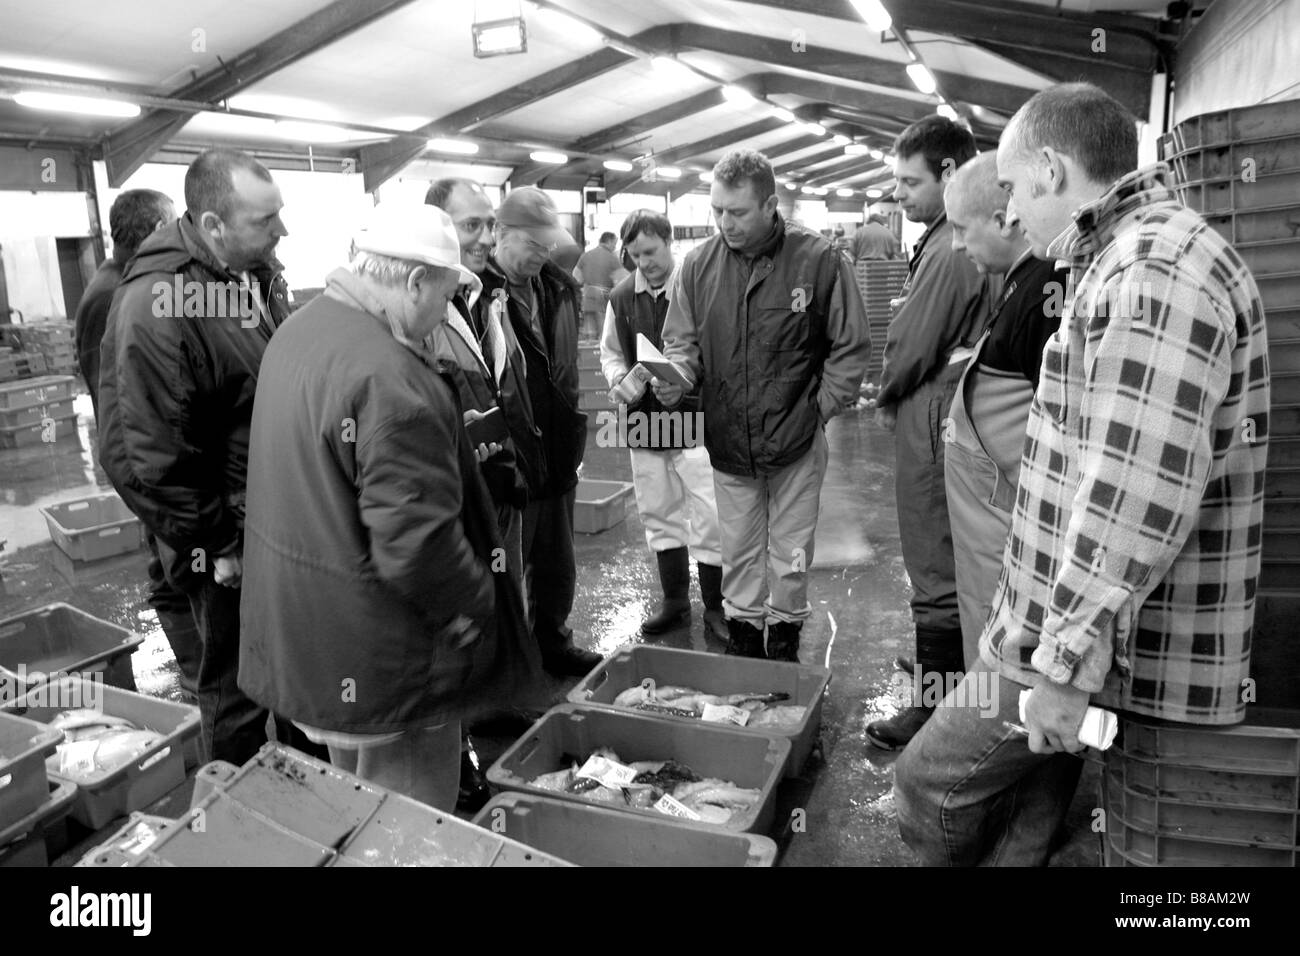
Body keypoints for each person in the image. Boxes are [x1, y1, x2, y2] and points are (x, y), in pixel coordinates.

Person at [894, 82, 1271, 866]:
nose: (1009, 210)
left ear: (1053, 171)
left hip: (1072, 643)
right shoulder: (1127, 258)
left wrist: (1063, 666)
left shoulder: (1151, 269)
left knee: (927, 784)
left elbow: (1133, 494)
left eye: (1011, 187)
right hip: (1067, 629)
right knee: (1028, 800)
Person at [237, 203, 539, 810]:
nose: (446, 314)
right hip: (385, 664)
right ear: (413, 281)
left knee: (354, 798)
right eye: (446, 296)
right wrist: (481, 606)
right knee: (406, 819)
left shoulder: (299, 330)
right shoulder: (392, 380)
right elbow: (416, 544)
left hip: (313, 645)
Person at [97, 148, 321, 767]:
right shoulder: (160, 304)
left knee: (286, 669)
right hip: (226, 539)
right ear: (213, 225)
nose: (282, 231)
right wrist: (217, 543)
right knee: (235, 689)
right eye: (265, 220)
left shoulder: (250, 274)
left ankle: (306, 788)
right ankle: (234, 810)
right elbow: (152, 455)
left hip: (269, 520)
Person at [659, 148, 871, 662]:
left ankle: (784, 643)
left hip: (796, 441)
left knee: (791, 554)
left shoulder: (818, 260)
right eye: (717, 211)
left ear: (770, 204)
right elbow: (681, 342)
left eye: (737, 212)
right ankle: (746, 641)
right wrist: (677, 377)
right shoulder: (698, 267)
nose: (724, 223)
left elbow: (850, 344)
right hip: (730, 441)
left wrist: (820, 409)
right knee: (738, 552)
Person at [866, 117, 993, 751]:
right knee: (949, 552)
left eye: (908, 182)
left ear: (949, 173)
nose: (899, 195)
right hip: (952, 401)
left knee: (933, 555)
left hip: (935, 406)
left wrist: (888, 391)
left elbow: (912, 341)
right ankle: (943, 677)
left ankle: (933, 712)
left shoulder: (947, 249)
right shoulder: (950, 239)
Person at [72, 189, 202, 705]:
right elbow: (127, 401)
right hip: (141, 462)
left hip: (141, 458)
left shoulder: (121, 282)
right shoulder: (116, 293)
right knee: (173, 566)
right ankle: (197, 672)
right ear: (152, 229)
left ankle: (199, 671)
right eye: (173, 226)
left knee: (170, 561)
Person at [942, 152, 1066, 665]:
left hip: (1011, 535)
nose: (955, 243)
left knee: (1002, 666)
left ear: (1001, 220)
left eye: (959, 229)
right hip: (991, 537)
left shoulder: (1045, 290)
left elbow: (1063, 429)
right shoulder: (1020, 281)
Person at [478, 186, 600, 677]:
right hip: (511, 450)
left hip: (558, 442)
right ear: (501, 235)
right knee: (504, 570)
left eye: (548, 244)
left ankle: (553, 641)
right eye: (533, 243)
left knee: (555, 563)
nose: (543, 253)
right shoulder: (479, 296)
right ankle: (505, 670)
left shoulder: (557, 288)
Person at [599, 209, 726, 642]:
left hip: (692, 416)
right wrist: (618, 379)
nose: (644, 262)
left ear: (669, 243)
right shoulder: (620, 298)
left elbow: (713, 348)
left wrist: (692, 378)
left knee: (709, 511)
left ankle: (716, 607)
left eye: (651, 252)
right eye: (635, 255)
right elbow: (611, 352)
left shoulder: (696, 288)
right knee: (658, 510)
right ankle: (674, 601)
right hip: (644, 419)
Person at [574, 231, 623, 338]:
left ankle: (590, 352)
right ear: (609, 241)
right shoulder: (612, 258)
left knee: (589, 329)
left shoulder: (586, 255)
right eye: (614, 243)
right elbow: (620, 282)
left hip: (587, 295)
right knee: (604, 331)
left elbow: (576, 276)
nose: (615, 247)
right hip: (603, 297)